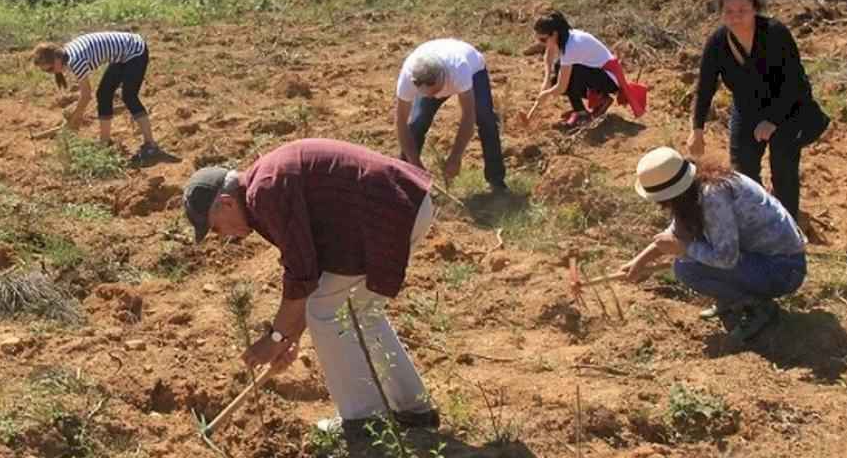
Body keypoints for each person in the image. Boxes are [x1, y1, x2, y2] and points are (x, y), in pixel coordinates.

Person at [182, 139, 438, 438]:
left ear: (225, 203)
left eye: (215, 227)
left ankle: (365, 424)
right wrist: (289, 337)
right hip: (403, 206)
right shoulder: (262, 188)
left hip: (390, 211)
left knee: (328, 311)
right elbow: (312, 274)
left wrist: (275, 338)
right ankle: (414, 409)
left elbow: (302, 276)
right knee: (356, 312)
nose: (222, 235)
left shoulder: (265, 192)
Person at [620, 147, 806, 342]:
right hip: (765, 259)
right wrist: (640, 261)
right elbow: (677, 232)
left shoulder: (713, 197)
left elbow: (726, 258)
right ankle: (734, 298)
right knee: (687, 261)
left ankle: (758, 307)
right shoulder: (697, 187)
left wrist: (686, 249)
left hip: (784, 269)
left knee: (687, 268)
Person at [688, 0, 825, 219]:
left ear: (755, 9)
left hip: (788, 107)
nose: (735, 17)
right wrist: (697, 129)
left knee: (783, 167)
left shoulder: (775, 33)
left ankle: (788, 227)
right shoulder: (718, 43)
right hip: (748, 109)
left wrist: (773, 121)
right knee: (743, 170)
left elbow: (795, 81)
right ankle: (757, 221)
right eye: (729, 11)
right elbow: (706, 86)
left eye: (742, 10)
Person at [394, 38, 506, 192]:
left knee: (485, 118)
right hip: (432, 59)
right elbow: (401, 123)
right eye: (426, 94)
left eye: (435, 92)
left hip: (474, 70)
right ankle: (407, 182)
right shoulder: (408, 77)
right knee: (417, 122)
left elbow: (468, 116)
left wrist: (455, 157)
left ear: (442, 77)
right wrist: (415, 164)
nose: (432, 97)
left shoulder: (459, 69)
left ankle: (496, 180)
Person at [31, 31, 160, 161]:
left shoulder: (75, 61)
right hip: (122, 54)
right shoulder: (65, 52)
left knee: (129, 96)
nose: (50, 73)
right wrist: (76, 117)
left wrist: (75, 118)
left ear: (57, 59)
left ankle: (151, 145)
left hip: (135, 51)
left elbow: (86, 95)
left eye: (49, 69)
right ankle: (105, 142)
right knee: (103, 94)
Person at [524, 10, 647, 128]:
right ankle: (596, 101)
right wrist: (546, 81)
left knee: (568, 72)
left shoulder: (571, 46)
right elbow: (549, 57)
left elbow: (561, 87)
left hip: (608, 78)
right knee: (558, 69)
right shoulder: (563, 38)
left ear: (554, 34)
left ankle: (583, 110)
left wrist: (546, 93)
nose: (541, 43)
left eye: (543, 39)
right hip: (595, 73)